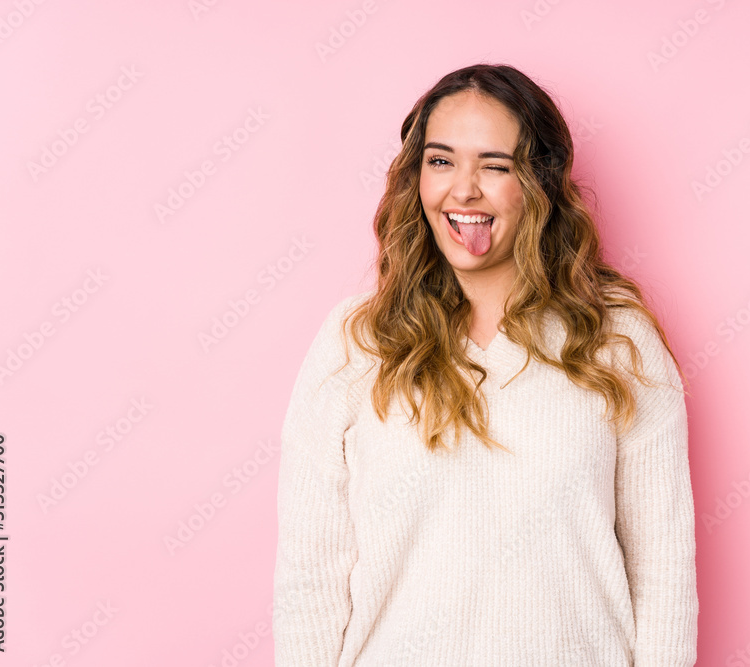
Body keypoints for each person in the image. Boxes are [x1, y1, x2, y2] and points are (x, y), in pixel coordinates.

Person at [273, 63, 698, 666]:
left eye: (495, 166)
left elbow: (664, 570)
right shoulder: (355, 342)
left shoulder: (617, 341)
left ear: (541, 183)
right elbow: (310, 579)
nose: (463, 190)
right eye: (441, 161)